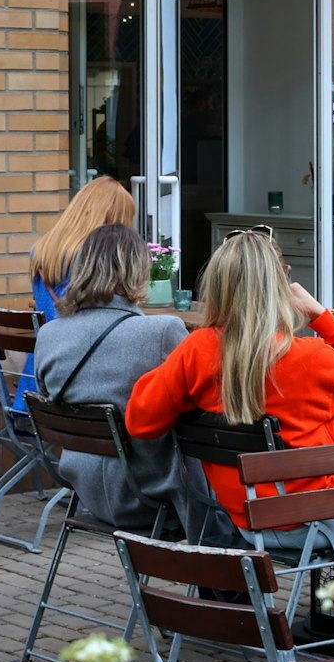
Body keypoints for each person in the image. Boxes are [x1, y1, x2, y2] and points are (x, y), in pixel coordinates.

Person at [124, 229, 334, 552]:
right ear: (278, 288)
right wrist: (320, 315)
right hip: (324, 521)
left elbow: (139, 421)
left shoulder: (196, 351)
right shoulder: (309, 357)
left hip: (250, 523)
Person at [33, 224, 225, 540]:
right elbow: (206, 406)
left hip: (84, 489)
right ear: (137, 272)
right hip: (152, 493)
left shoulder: (49, 335)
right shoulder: (161, 332)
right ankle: (229, 576)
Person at [15, 176, 138, 411]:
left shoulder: (41, 251)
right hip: (81, 382)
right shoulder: (90, 262)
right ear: (110, 219)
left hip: (42, 374)